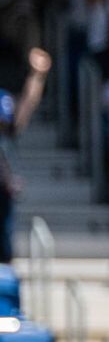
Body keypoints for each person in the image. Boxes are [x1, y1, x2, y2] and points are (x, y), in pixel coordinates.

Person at [0, 47, 48, 263]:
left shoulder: (3, 102)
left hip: (3, 188)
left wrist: (37, 75)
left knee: (4, 248)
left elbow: (24, 110)